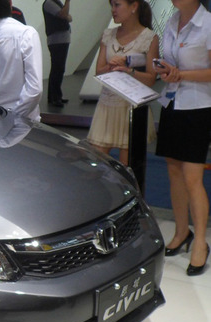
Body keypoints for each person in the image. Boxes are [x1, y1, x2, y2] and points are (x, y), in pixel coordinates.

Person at [154, 0, 211, 276]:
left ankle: (200, 241)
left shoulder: (208, 23)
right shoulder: (172, 20)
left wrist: (181, 73)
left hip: (198, 107)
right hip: (171, 102)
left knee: (192, 177)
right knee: (174, 172)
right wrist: (164, 69)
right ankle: (181, 231)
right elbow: (169, 61)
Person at [87, 0, 158, 165]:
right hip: (106, 106)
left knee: (129, 171)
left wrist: (129, 70)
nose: (113, 10)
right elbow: (99, 71)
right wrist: (112, 66)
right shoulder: (108, 34)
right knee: (96, 165)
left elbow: (151, 78)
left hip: (132, 109)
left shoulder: (149, 37)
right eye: (111, 5)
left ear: (134, 7)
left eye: (117, 5)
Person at [0, 0, 42, 122]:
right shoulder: (26, 34)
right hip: (24, 123)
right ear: (10, 3)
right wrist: (13, 118)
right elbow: (34, 90)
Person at [43, 0, 72, 107]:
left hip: (61, 39)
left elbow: (67, 16)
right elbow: (65, 15)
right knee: (57, 68)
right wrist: (68, 2)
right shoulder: (49, 3)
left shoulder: (56, 2)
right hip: (57, 40)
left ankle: (55, 96)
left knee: (58, 68)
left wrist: (66, 16)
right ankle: (54, 97)